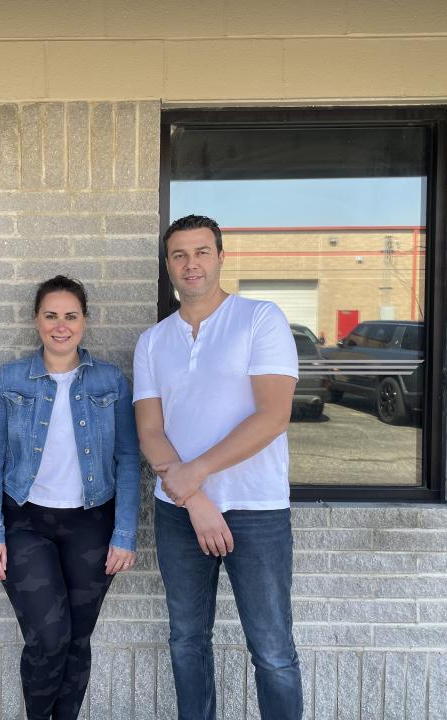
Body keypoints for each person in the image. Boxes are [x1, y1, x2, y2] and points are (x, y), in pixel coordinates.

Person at [133, 215, 303, 720]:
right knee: (187, 640)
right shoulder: (153, 341)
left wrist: (197, 472)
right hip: (180, 513)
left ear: (221, 256)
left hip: (256, 509)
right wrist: (194, 497)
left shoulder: (260, 318)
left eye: (202, 252)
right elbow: (150, 431)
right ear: (168, 265)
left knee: (272, 649)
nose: (191, 264)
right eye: (179, 255)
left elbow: (273, 415)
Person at [0, 275, 141, 720]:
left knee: (78, 639)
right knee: (48, 639)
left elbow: (129, 459)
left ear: (84, 321)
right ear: (36, 320)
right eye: (51, 315)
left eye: (70, 316)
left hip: (92, 522)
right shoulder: (9, 380)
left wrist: (125, 532)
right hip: (26, 523)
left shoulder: (110, 380)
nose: (60, 326)